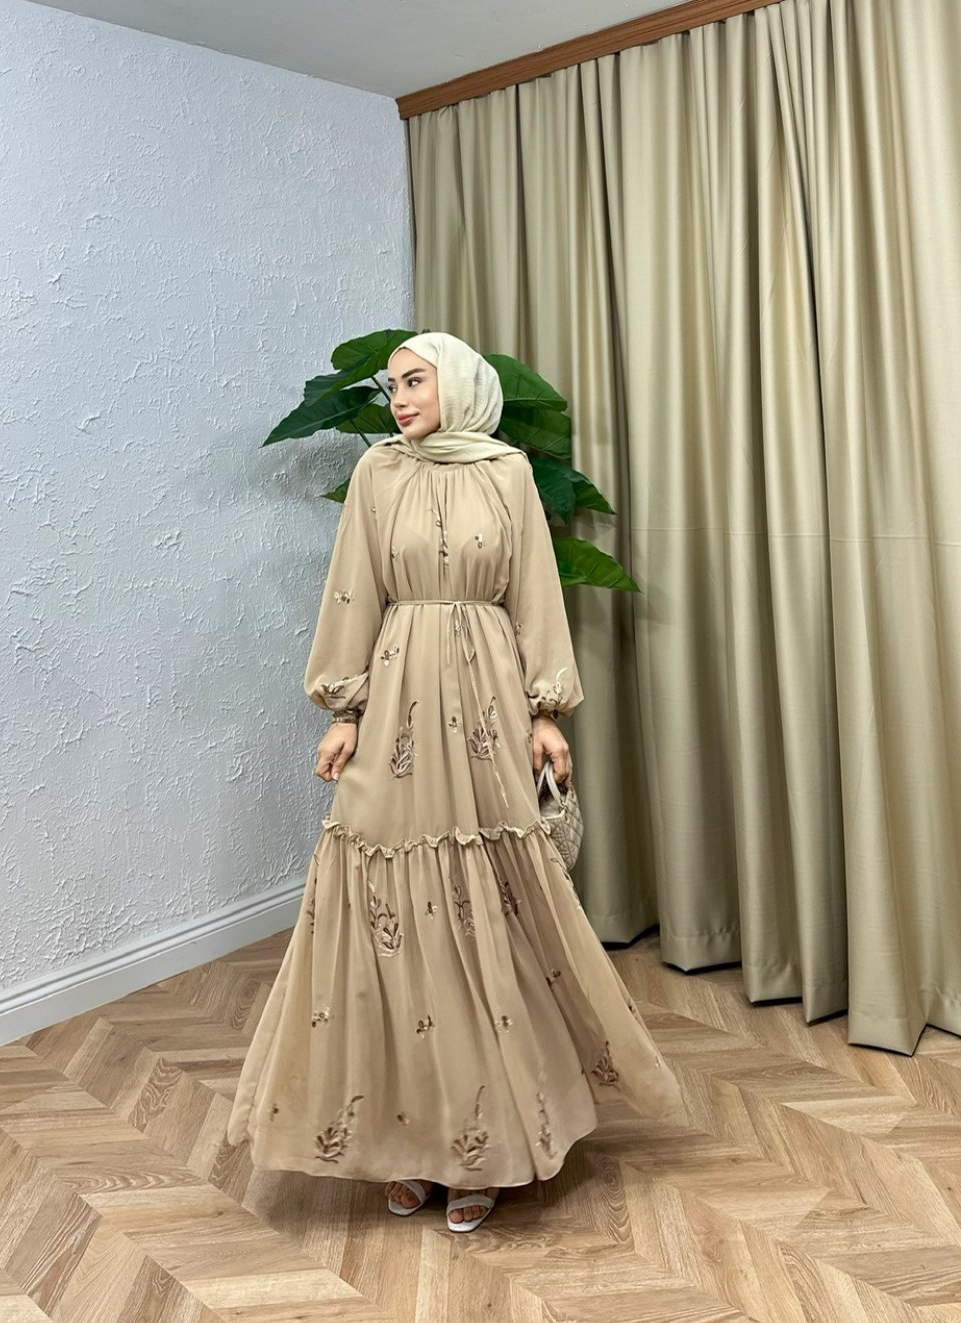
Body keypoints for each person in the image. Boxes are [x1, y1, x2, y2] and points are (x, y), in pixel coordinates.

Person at [226, 332, 684, 1232]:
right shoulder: (378, 474)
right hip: (397, 692)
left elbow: (535, 594)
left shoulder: (508, 472)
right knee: (386, 912)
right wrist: (345, 711)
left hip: (486, 697)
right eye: (393, 384)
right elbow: (353, 591)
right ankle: (407, 1139)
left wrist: (546, 710)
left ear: (460, 386)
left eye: (415, 380)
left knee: (489, 909)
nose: (398, 397)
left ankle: (487, 1141)